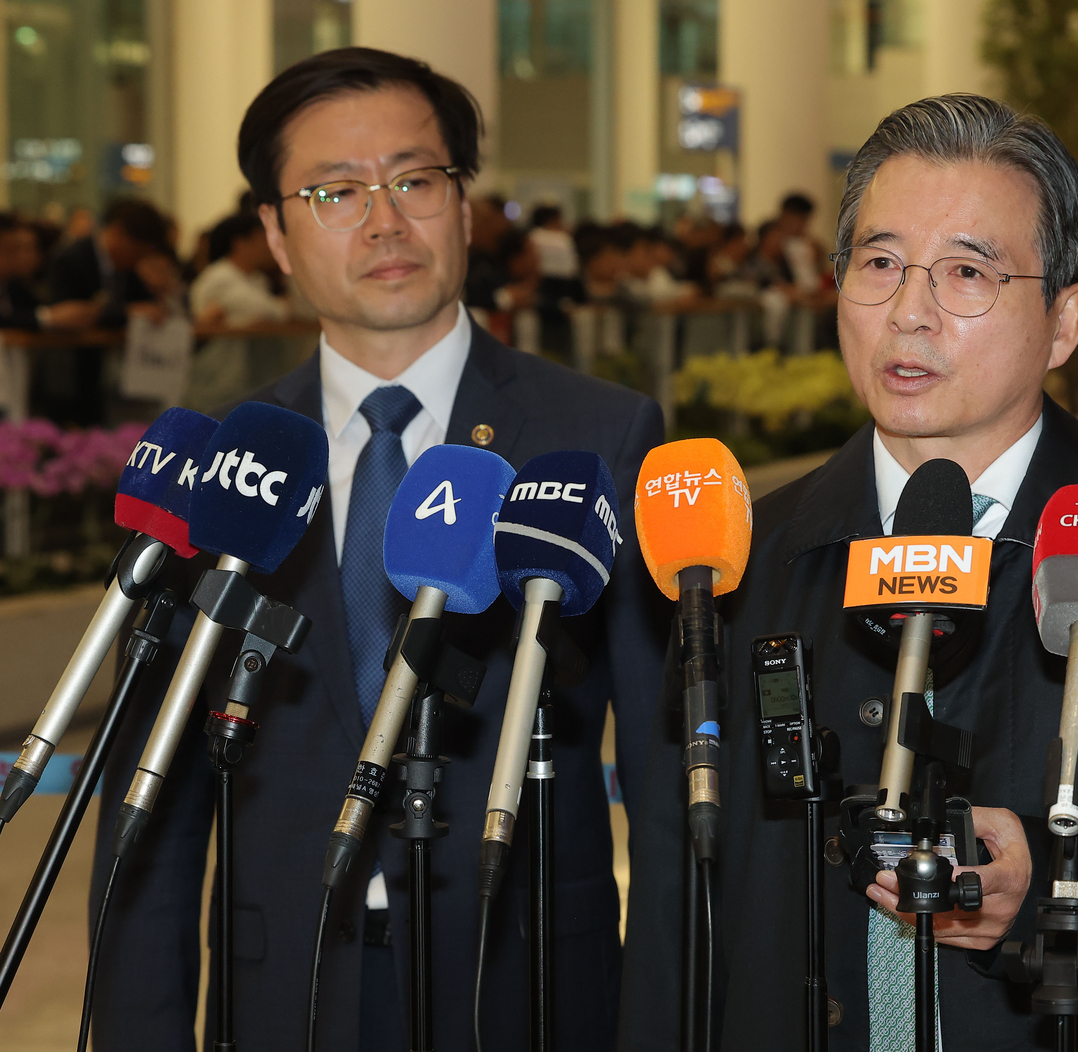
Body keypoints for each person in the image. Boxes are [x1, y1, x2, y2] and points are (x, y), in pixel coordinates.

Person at [618, 93, 1078, 1052]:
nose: (910, 311)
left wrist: (1068, 888)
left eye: (968, 271)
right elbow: (677, 899)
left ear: (1063, 320)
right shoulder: (729, 562)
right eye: (879, 264)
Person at [90, 47, 668, 1052]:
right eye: (334, 191)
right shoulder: (223, 465)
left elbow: (662, 788)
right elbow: (152, 811)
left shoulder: (603, 436)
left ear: (465, 203)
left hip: (527, 983)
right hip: (283, 992)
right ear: (273, 230)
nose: (384, 219)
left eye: (414, 179)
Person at [40, 198, 169, 423]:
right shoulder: (71, 259)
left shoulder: (128, 268)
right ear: (117, 233)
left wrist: (159, 292)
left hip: (113, 381)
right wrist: (127, 313)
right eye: (136, 251)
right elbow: (71, 314)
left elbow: (148, 307)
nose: (137, 259)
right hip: (70, 376)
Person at [186, 211, 294, 412]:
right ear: (240, 243)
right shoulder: (220, 277)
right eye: (262, 239)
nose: (269, 246)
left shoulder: (256, 279)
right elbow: (272, 311)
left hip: (244, 377)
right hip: (217, 377)